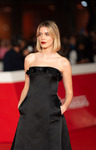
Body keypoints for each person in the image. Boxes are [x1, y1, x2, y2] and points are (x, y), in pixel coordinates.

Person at [11, 20, 73, 150]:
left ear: (54, 36)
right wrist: (20, 105)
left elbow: (69, 92)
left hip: (51, 111)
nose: (42, 38)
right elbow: (26, 86)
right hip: (30, 110)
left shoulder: (63, 62)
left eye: (47, 34)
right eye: (40, 34)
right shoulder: (30, 59)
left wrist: (63, 108)